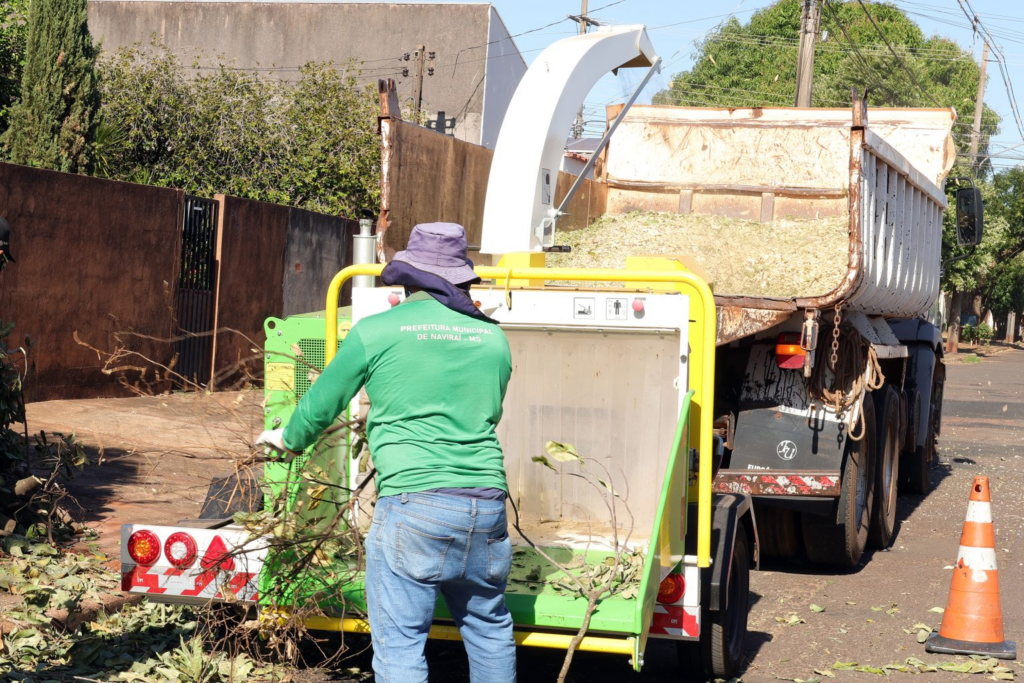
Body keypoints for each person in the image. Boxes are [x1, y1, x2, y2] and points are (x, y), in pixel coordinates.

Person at [258, 222, 516, 683]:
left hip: (414, 505)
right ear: (459, 277)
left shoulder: (376, 331)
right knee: (489, 629)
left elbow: (322, 402)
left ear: (408, 277)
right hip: (487, 504)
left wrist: (288, 439)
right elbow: (488, 411)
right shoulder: (493, 338)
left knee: (400, 648)